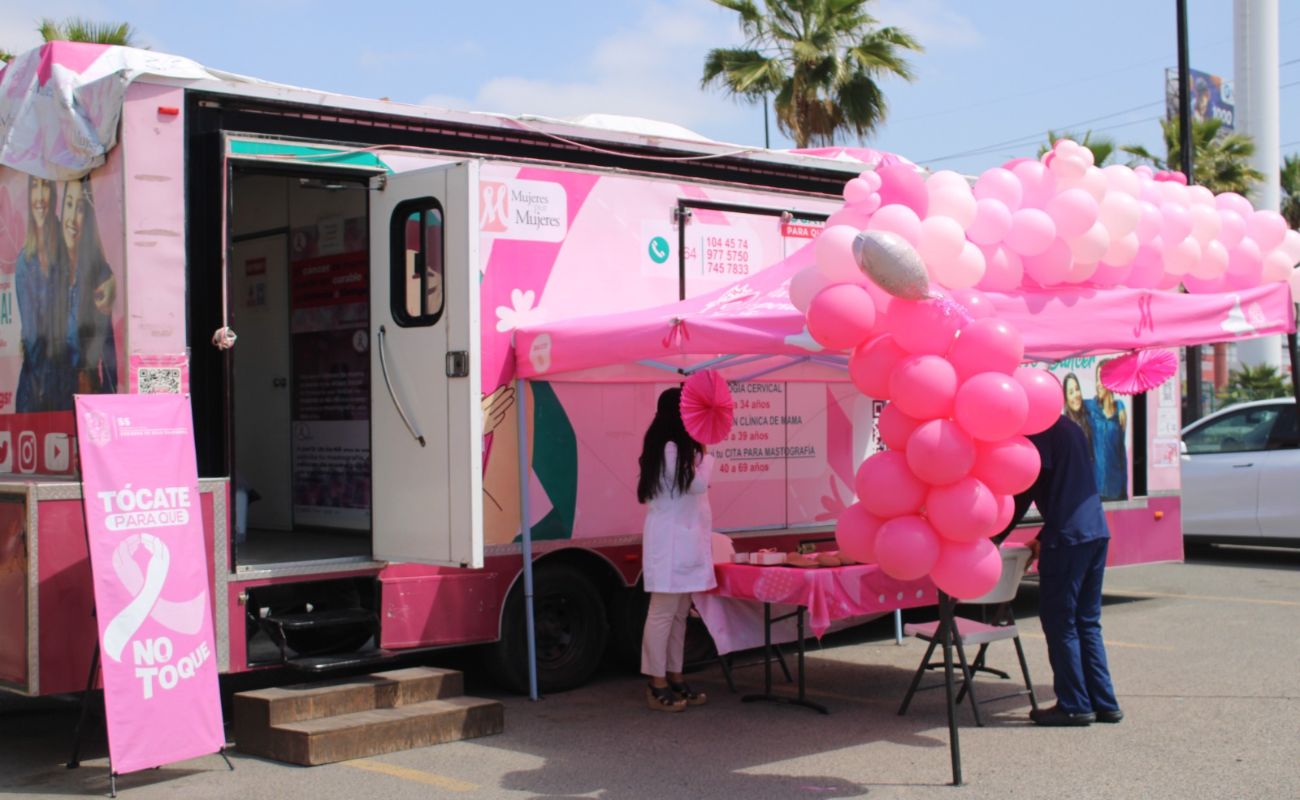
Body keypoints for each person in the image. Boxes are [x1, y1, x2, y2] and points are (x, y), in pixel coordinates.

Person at [1008, 415, 1122, 727]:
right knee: (1087, 622)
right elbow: (1070, 487)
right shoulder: (1070, 427)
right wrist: (1042, 537)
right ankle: (1104, 702)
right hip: (1095, 531)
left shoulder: (1039, 432)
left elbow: (1024, 486)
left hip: (1069, 539)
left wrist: (991, 536)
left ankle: (1073, 704)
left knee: (1061, 623)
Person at [636, 387, 715, 712]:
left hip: (684, 543)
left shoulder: (680, 449)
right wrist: (709, 457)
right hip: (670, 544)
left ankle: (674, 675)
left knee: (680, 613)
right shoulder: (670, 449)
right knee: (663, 613)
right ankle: (655, 683)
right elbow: (697, 484)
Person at [15, 175, 73, 413]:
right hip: (35, 389)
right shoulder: (24, 261)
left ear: (55, 194)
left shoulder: (68, 245)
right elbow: (31, 337)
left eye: (45, 186)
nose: (39, 197)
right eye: (34, 187)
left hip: (66, 382)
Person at [61, 177, 118, 396]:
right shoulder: (53, 269)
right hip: (52, 396)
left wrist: (104, 399)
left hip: (85, 395)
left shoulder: (99, 273)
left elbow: (108, 352)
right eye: (68, 205)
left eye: (80, 209)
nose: (72, 218)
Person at [1086, 360, 1128, 501]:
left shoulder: (1119, 415)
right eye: (1096, 379)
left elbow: (1121, 454)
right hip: (1095, 487)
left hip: (1115, 488)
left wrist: (1120, 404)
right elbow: (1071, 403)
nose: (1098, 384)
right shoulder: (1090, 408)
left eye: (1101, 379)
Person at [1061, 372, 1094, 456]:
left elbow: (1101, 404)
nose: (1076, 395)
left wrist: (1120, 406)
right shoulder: (1063, 427)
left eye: (1077, 389)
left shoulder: (1089, 413)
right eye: (1071, 392)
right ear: (1066, 398)